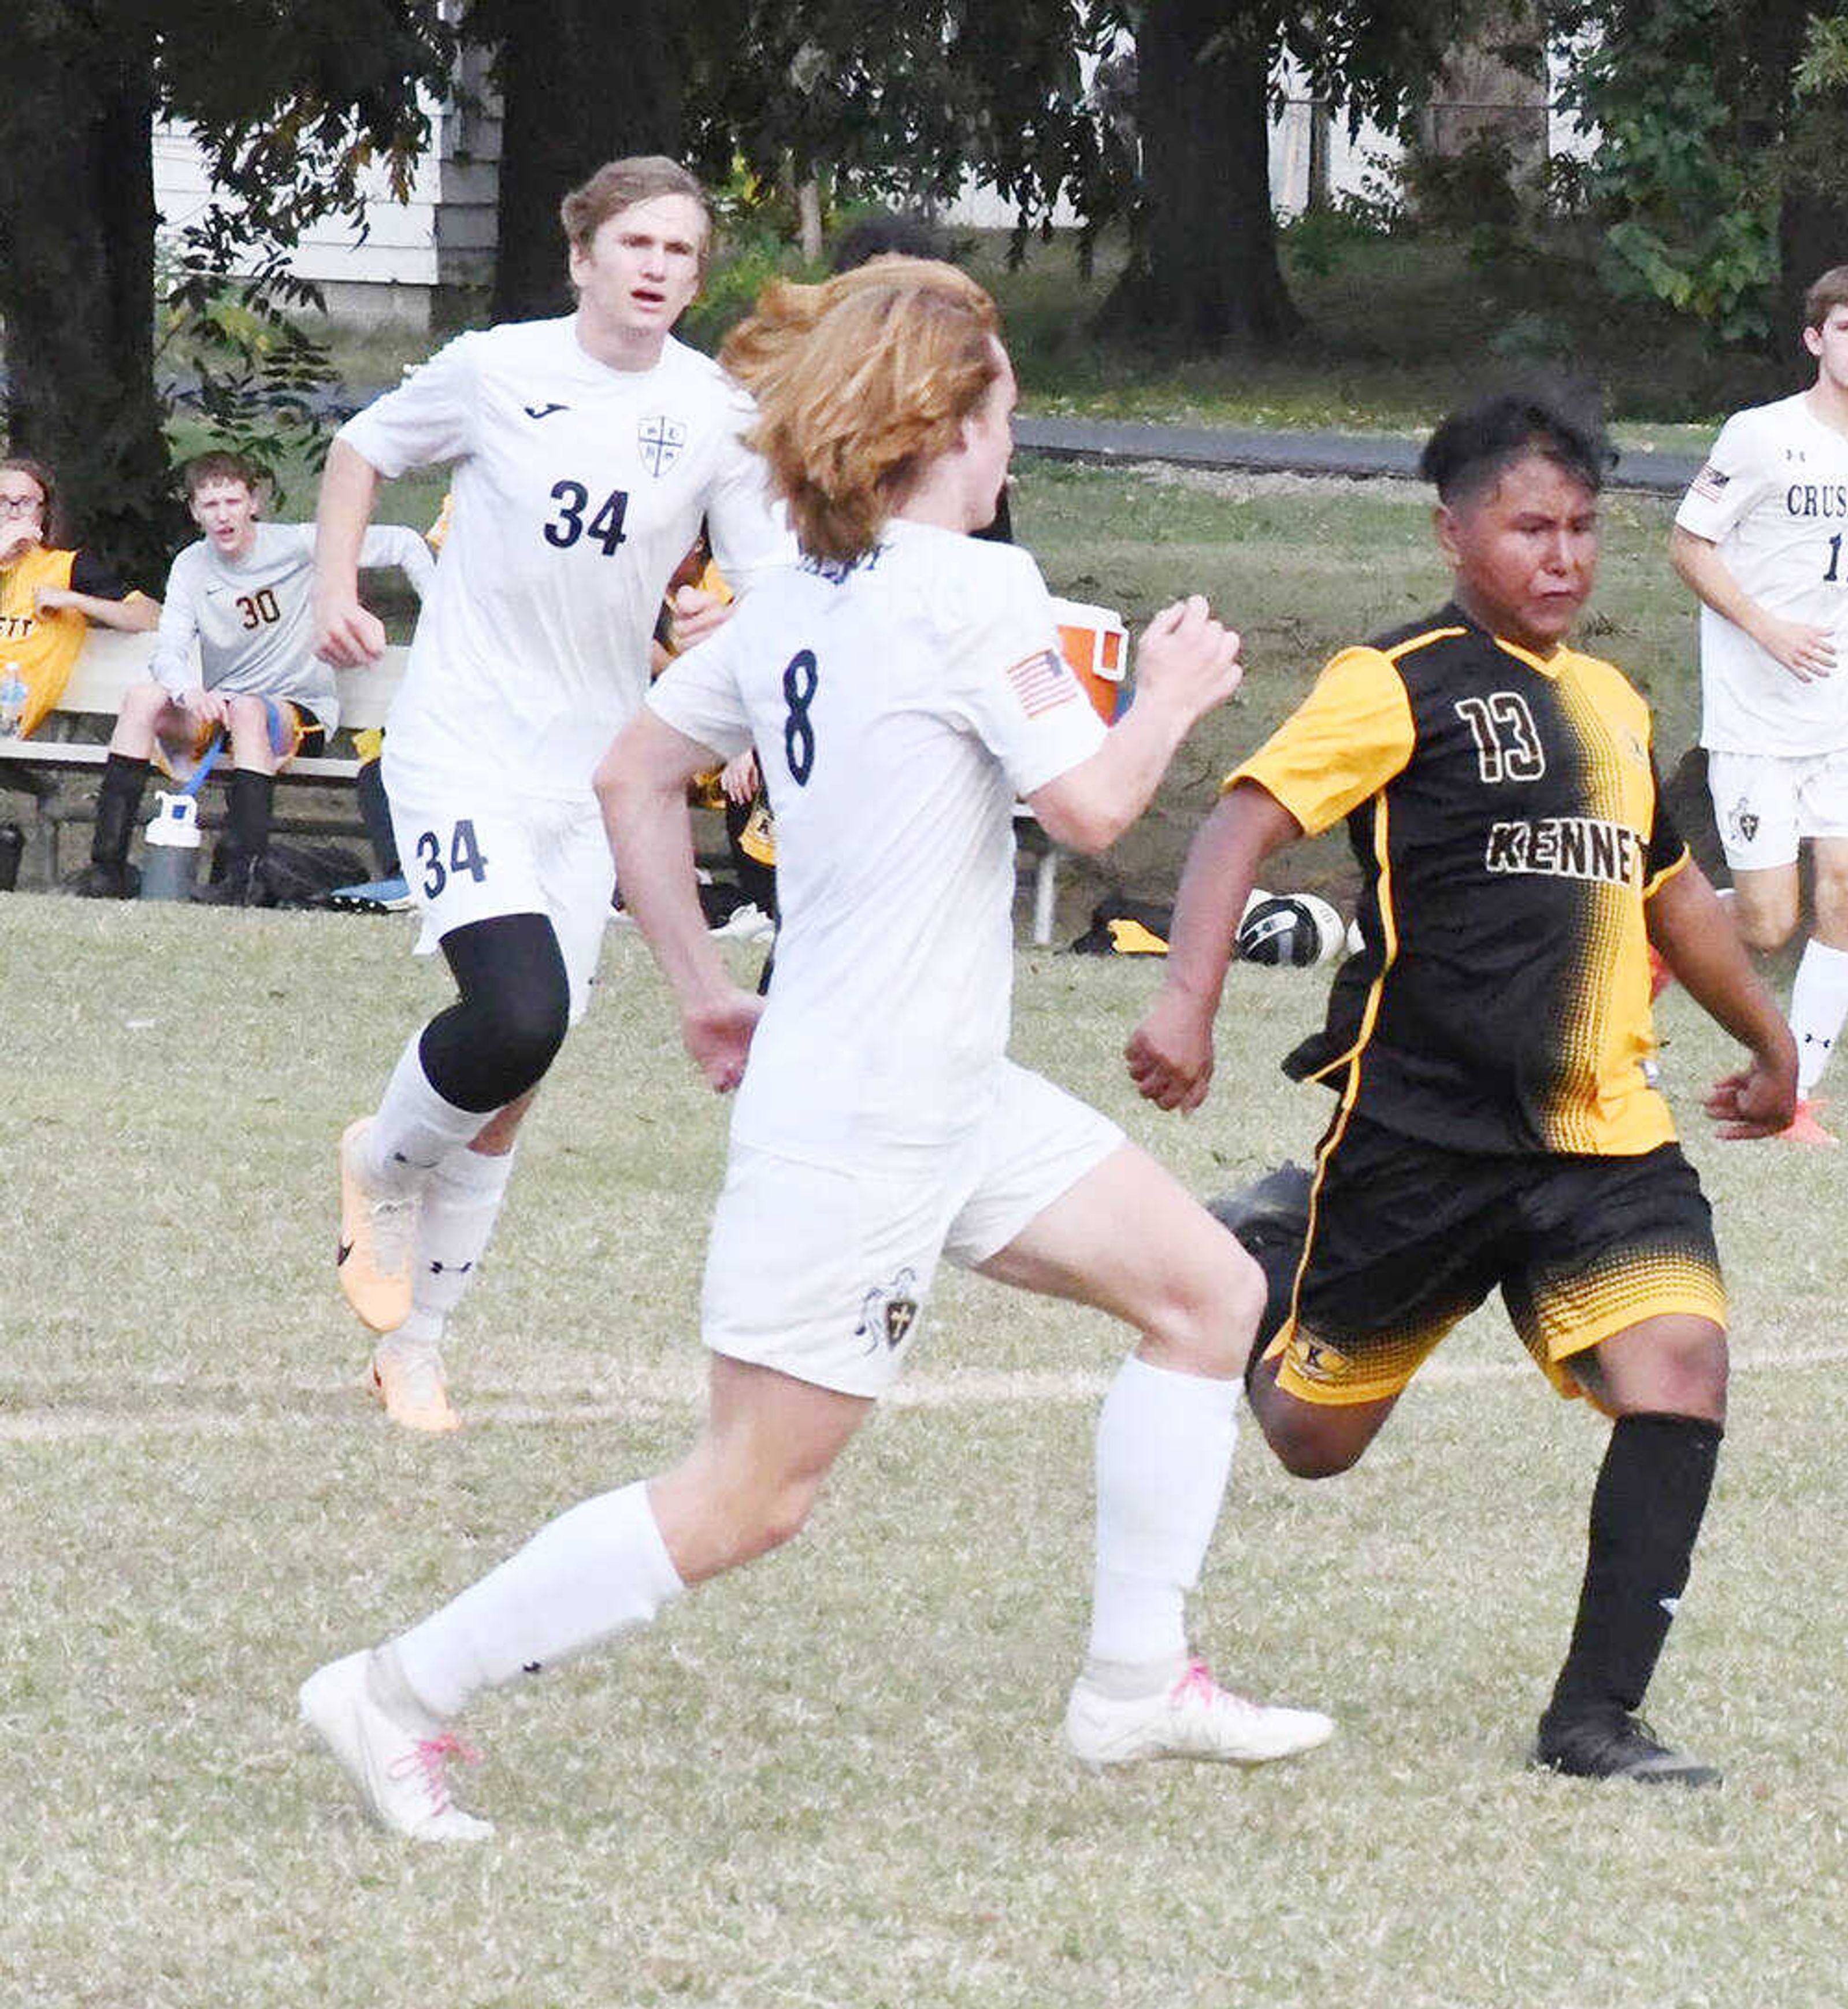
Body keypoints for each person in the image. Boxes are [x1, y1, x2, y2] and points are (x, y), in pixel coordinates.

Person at [299, 255, 1330, 1841]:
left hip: (934, 1084)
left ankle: (1134, 1682)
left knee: (1212, 1293)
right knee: (750, 1494)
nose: (1011, 447)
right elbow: (1095, 811)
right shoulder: (978, 590)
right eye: (1003, 418)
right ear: (948, 430)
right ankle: (394, 1694)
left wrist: (706, 986)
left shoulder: (798, 599)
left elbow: (639, 772)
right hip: (867, 1115)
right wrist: (1180, 690)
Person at [1129, 391, 1799, 1788]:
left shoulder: (1612, 705)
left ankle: (1594, 1718)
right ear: (1452, 533)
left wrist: (1768, 1038)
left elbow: (1667, 890)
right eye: (1526, 529)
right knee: (1315, 1439)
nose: (1559, 559)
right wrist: (1184, 1003)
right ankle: (1260, 1251)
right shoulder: (1396, 679)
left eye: (1580, 531)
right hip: (1421, 1136)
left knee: (1680, 1365)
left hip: (1601, 1137)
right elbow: (1241, 822)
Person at [314, 155, 789, 1435]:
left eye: (681, 252)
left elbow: (768, 585)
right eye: (634, 242)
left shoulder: (716, 412)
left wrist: (719, 623)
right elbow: (362, 449)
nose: (655, 268)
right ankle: (378, 1161)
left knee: (525, 1065)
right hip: (465, 743)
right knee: (515, 1012)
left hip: (598, 775)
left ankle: (419, 1344)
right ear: (581, 255)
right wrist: (335, 587)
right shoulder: (497, 366)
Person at [1669, 259, 1848, 1146]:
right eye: (1847, 329)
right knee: (1770, 922)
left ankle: (1795, 1094)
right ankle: (1660, 939)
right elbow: (1689, 546)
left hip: (1847, 706)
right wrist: (1765, 627)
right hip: (1756, 712)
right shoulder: (1759, 435)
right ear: (1817, 339)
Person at [70, 452, 435, 902]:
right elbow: (169, 650)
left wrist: (442, 623)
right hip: (224, 711)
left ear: (253, 503)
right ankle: (106, 868)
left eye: (231, 502)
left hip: (298, 712)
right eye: (210, 505)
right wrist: (189, 691)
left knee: (247, 710)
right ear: (194, 512)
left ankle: (244, 875)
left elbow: (403, 544)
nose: (223, 516)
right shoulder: (191, 565)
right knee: (144, 698)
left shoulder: (299, 545)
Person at [0, 454, 158, 742]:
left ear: (43, 514)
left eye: (25, 502)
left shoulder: (67, 567)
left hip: (8, 713)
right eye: (2, 501)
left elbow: (151, 616)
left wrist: (75, 601)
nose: (12, 512)